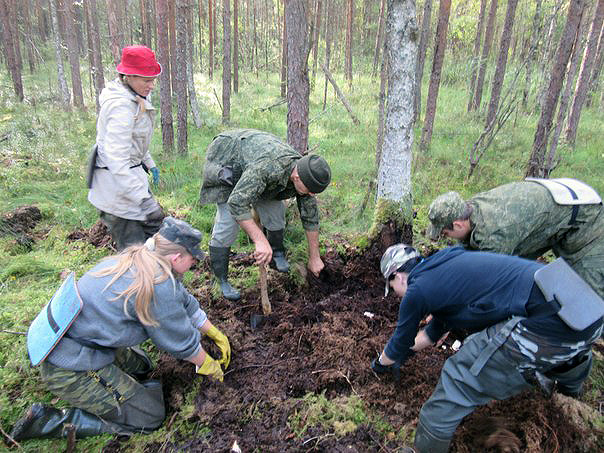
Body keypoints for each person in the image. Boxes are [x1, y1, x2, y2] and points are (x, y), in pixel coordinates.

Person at [10, 217, 231, 441]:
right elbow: (180, 342)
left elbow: (183, 299)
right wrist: (207, 365)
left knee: (143, 366)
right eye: (193, 259)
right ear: (176, 257)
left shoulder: (142, 258)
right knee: (151, 417)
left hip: (82, 339)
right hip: (69, 366)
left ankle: (125, 393)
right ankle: (51, 422)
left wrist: (212, 331)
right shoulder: (158, 284)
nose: (195, 264)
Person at [371, 244, 603, 453]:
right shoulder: (446, 261)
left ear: (398, 276)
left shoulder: (417, 290)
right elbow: (435, 329)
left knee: (458, 375)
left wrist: (380, 364)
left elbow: (399, 341)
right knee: (551, 340)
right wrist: (409, 352)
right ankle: (569, 392)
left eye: (391, 288)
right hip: (585, 313)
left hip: (550, 325)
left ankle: (424, 449)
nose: (396, 295)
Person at [199, 129, 332, 300]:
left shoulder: (304, 173)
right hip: (229, 162)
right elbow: (237, 202)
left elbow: (310, 216)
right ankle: (221, 280)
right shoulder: (269, 168)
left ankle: (276, 255)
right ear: (297, 177)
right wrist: (260, 240)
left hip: (255, 168)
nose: (312, 195)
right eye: (311, 190)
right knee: (228, 223)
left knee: (276, 212)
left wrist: (315, 257)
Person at [426, 178, 604, 298]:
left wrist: (445, 305)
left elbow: (485, 281)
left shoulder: (494, 235)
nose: (443, 237)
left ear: (458, 224)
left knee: (586, 296)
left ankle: (586, 346)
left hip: (586, 219)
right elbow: (467, 255)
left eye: (444, 233)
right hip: (554, 213)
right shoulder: (472, 209)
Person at [87, 45, 164, 251]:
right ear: (128, 75)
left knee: (155, 243)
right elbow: (117, 162)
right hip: (117, 189)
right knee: (135, 254)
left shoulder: (136, 95)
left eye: (153, 79)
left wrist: (149, 163)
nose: (152, 85)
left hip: (131, 180)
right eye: (146, 80)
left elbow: (134, 140)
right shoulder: (121, 107)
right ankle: (135, 281)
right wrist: (144, 199)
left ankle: (156, 280)